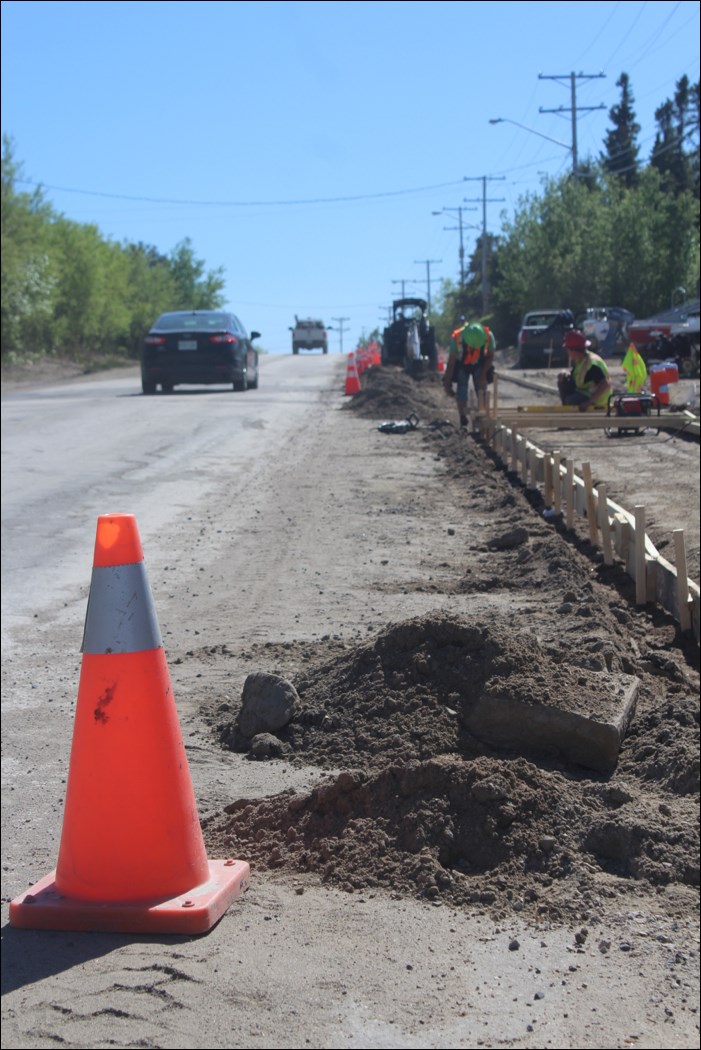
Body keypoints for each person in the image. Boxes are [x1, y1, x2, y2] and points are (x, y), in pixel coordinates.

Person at [443, 321, 495, 428]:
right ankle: (463, 418)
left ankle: (483, 416)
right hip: (462, 363)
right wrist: (447, 383)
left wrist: (483, 375)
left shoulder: (488, 336)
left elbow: (490, 357)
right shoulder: (457, 338)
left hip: (480, 363)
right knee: (461, 387)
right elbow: (451, 362)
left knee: (482, 389)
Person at [557, 329, 612, 411]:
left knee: (571, 401)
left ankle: (573, 419)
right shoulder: (581, 360)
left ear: (574, 350)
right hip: (585, 393)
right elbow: (577, 377)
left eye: (568, 349)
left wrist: (588, 402)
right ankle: (568, 413)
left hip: (597, 399)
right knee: (563, 382)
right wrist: (564, 374)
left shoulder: (592, 364)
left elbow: (605, 384)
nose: (567, 352)